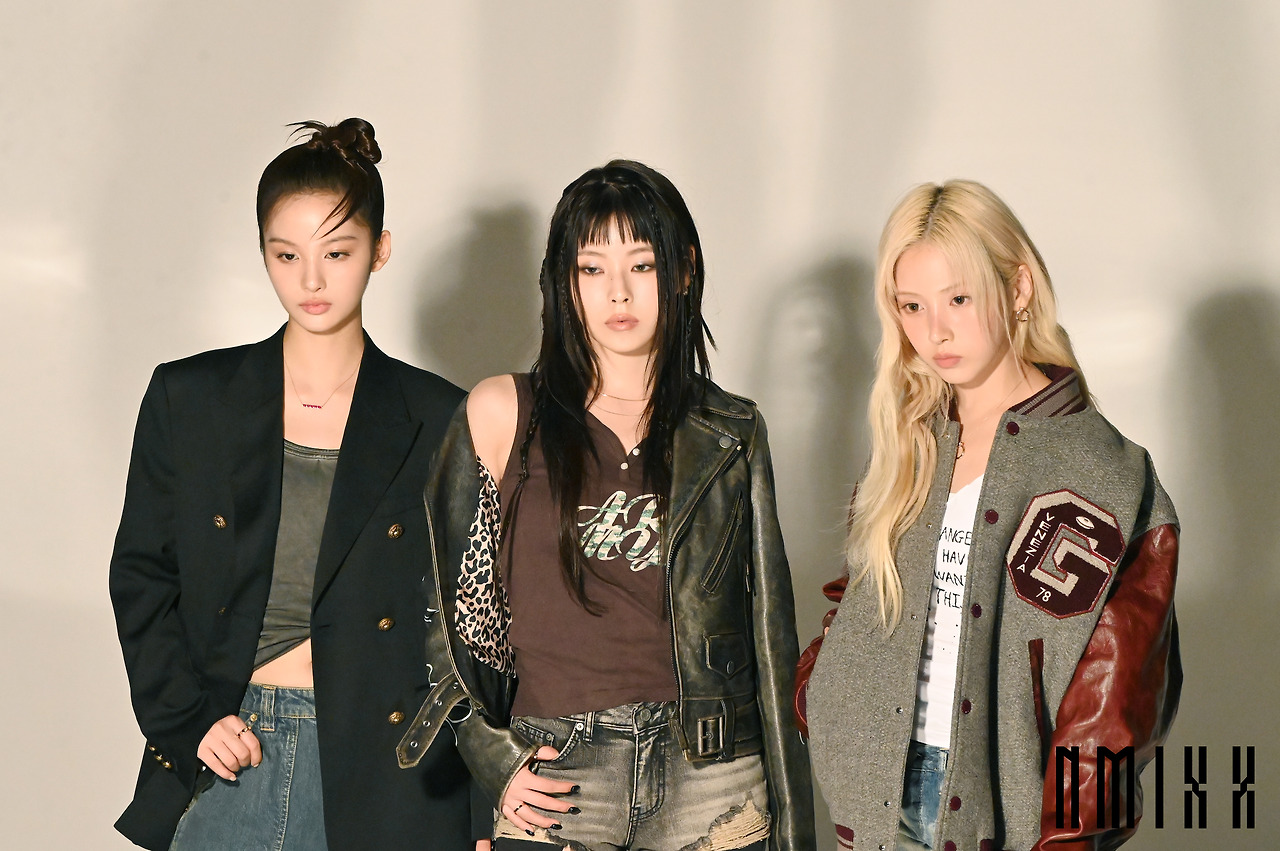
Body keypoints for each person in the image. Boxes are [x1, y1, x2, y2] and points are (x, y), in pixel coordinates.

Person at [394, 160, 815, 851]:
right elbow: (447, 608)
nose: (618, 291)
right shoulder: (503, 412)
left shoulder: (730, 431)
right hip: (559, 767)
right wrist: (496, 759)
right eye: (592, 268)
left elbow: (772, 638)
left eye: (641, 265)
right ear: (565, 282)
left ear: (683, 271)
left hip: (710, 772)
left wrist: (794, 826)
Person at [110, 118, 474, 850]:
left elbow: (474, 620)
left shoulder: (441, 416)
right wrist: (187, 720)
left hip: (387, 765)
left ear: (380, 250)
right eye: (287, 255)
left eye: (337, 252)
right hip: (233, 751)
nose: (311, 281)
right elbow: (143, 574)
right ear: (263, 255)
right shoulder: (190, 399)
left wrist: (484, 802)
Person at [795, 180, 1181, 851]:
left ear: (1019, 287)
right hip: (877, 800)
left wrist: (1070, 837)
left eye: (959, 299)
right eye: (911, 306)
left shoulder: (1105, 474)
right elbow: (859, 597)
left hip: (1005, 816)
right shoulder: (912, 442)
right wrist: (819, 695)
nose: (935, 331)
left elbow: (1118, 702)